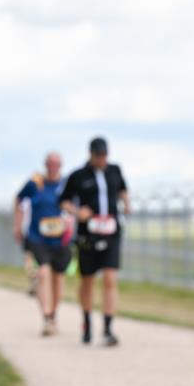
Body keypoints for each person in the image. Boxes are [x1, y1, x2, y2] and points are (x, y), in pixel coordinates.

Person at [60, 137, 130, 347]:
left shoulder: (115, 171)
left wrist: (126, 203)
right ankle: (87, 321)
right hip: (87, 235)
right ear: (91, 154)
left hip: (111, 231)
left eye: (105, 156)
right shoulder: (77, 176)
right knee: (87, 280)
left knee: (110, 278)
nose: (102, 160)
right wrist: (76, 211)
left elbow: (122, 190)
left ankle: (108, 328)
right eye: (99, 156)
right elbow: (63, 201)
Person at [14, 152, 71, 336]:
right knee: (44, 273)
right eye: (50, 164)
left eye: (57, 164)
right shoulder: (35, 183)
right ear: (45, 164)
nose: (53, 167)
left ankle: (53, 314)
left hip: (60, 238)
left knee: (58, 278)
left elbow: (74, 206)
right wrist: (17, 226)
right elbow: (19, 200)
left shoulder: (65, 185)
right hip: (37, 237)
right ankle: (46, 316)